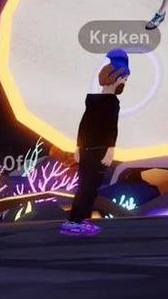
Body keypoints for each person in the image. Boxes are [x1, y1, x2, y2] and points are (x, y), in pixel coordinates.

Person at [61, 49, 128, 237]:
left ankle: (80, 220)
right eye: (123, 79)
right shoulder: (111, 102)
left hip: (88, 149)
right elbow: (111, 128)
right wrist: (110, 149)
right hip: (98, 150)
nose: (124, 82)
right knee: (88, 187)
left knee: (87, 186)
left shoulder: (93, 101)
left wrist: (78, 146)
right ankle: (74, 222)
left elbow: (84, 125)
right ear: (115, 78)